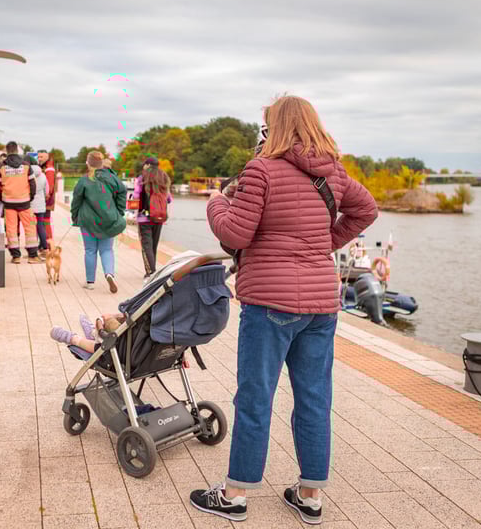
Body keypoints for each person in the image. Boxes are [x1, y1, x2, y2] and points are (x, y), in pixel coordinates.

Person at [189, 96, 378, 525]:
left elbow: (235, 233)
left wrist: (216, 201)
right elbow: (366, 210)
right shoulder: (334, 171)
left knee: (256, 398)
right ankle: (309, 495)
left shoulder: (260, 170)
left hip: (270, 305)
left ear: (272, 128)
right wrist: (322, 245)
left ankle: (235, 495)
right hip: (321, 306)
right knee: (314, 398)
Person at [70, 151, 126, 292]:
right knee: (107, 250)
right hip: (109, 219)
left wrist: (74, 216)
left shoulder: (84, 180)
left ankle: (90, 282)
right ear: (102, 163)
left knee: (90, 250)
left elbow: (76, 200)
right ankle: (109, 274)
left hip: (87, 221)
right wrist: (119, 212)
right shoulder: (113, 178)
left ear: (88, 163)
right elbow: (122, 192)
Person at [0, 142, 39, 264]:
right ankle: (32, 256)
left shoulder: (1, 167)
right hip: (24, 202)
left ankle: (16, 256)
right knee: (30, 227)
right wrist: (29, 197)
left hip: (9, 203)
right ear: (17, 150)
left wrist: (2, 199)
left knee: (11, 229)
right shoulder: (26, 165)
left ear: (7, 150)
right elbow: (32, 184)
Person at [133, 157, 172, 278]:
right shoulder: (164, 178)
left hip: (144, 216)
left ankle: (151, 272)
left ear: (148, 165)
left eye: (144, 165)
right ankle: (153, 271)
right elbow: (169, 199)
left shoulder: (142, 178)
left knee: (146, 245)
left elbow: (135, 196)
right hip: (159, 217)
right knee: (154, 245)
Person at [49, 313, 125, 353]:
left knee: (107, 322)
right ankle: (93, 333)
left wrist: (107, 319)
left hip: (116, 349)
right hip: (133, 355)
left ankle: (72, 338)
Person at [37, 150, 57, 251]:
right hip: (45, 201)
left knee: (45, 222)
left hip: (46, 201)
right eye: (38, 157)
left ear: (47, 157)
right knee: (43, 222)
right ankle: (43, 243)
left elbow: (49, 187)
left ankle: (49, 244)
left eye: (41, 157)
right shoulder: (45, 167)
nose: (39, 159)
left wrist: (44, 199)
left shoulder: (49, 169)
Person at [29, 156, 49, 258]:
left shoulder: (27, 174)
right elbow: (47, 191)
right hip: (40, 205)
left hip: (30, 205)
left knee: (32, 226)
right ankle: (45, 247)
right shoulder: (43, 175)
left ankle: (33, 248)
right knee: (40, 225)